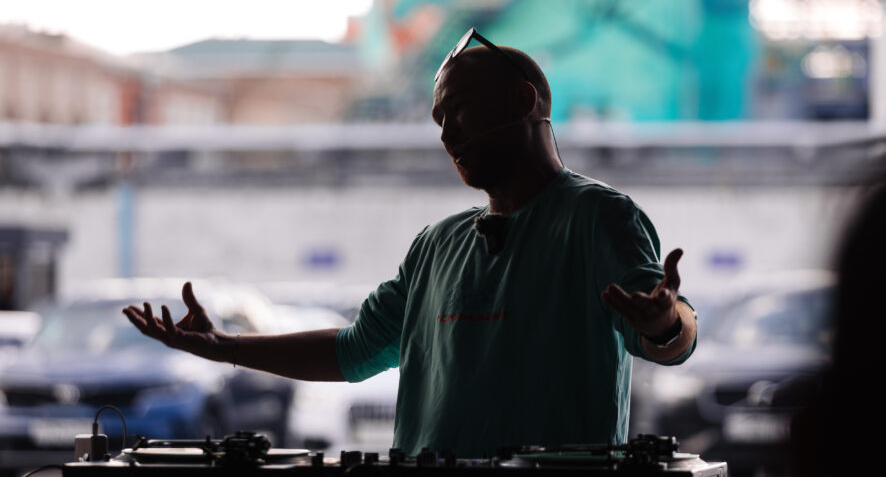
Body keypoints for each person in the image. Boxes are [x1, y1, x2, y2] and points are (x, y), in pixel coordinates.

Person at [123, 28, 697, 458]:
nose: (446, 135)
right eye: (439, 119)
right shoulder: (436, 246)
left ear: (525, 102)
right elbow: (351, 352)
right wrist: (223, 346)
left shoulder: (598, 217)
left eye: (460, 110)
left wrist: (664, 322)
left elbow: (672, 341)